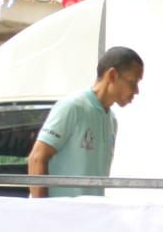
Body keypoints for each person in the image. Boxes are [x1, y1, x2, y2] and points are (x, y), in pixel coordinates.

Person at [26, 46, 143, 198]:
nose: (136, 90)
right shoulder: (72, 107)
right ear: (112, 75)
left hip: (90, 217)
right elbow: (37, 158)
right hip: (59, 218)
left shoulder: (112, 120)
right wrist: (43, 212)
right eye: (132, 81)